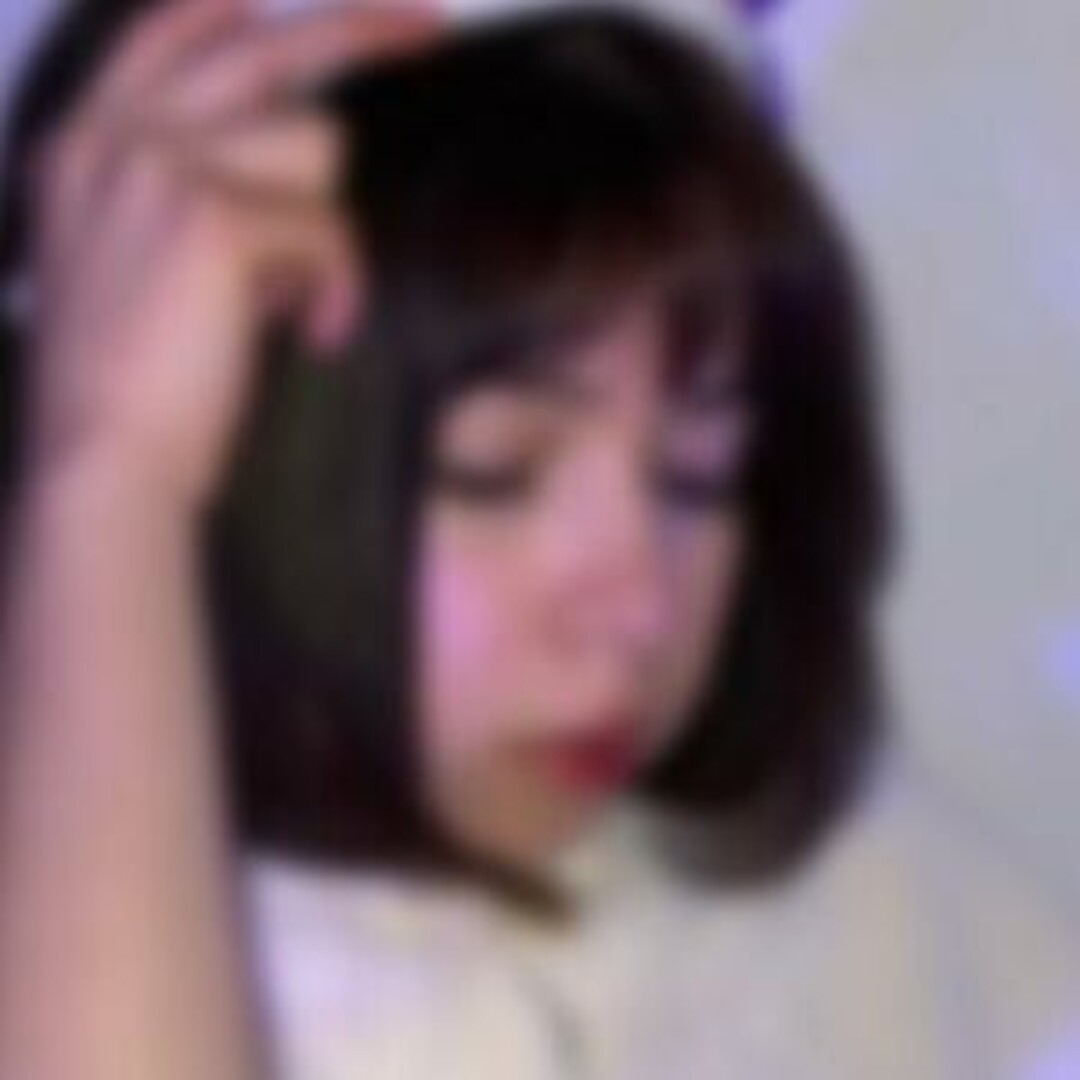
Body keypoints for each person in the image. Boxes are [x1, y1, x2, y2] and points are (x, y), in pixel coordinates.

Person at [1, 2, 1072, 1078]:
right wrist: (109, 467)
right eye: (498, 473)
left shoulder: (874, 907)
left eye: (694, 478)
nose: (639, 610)